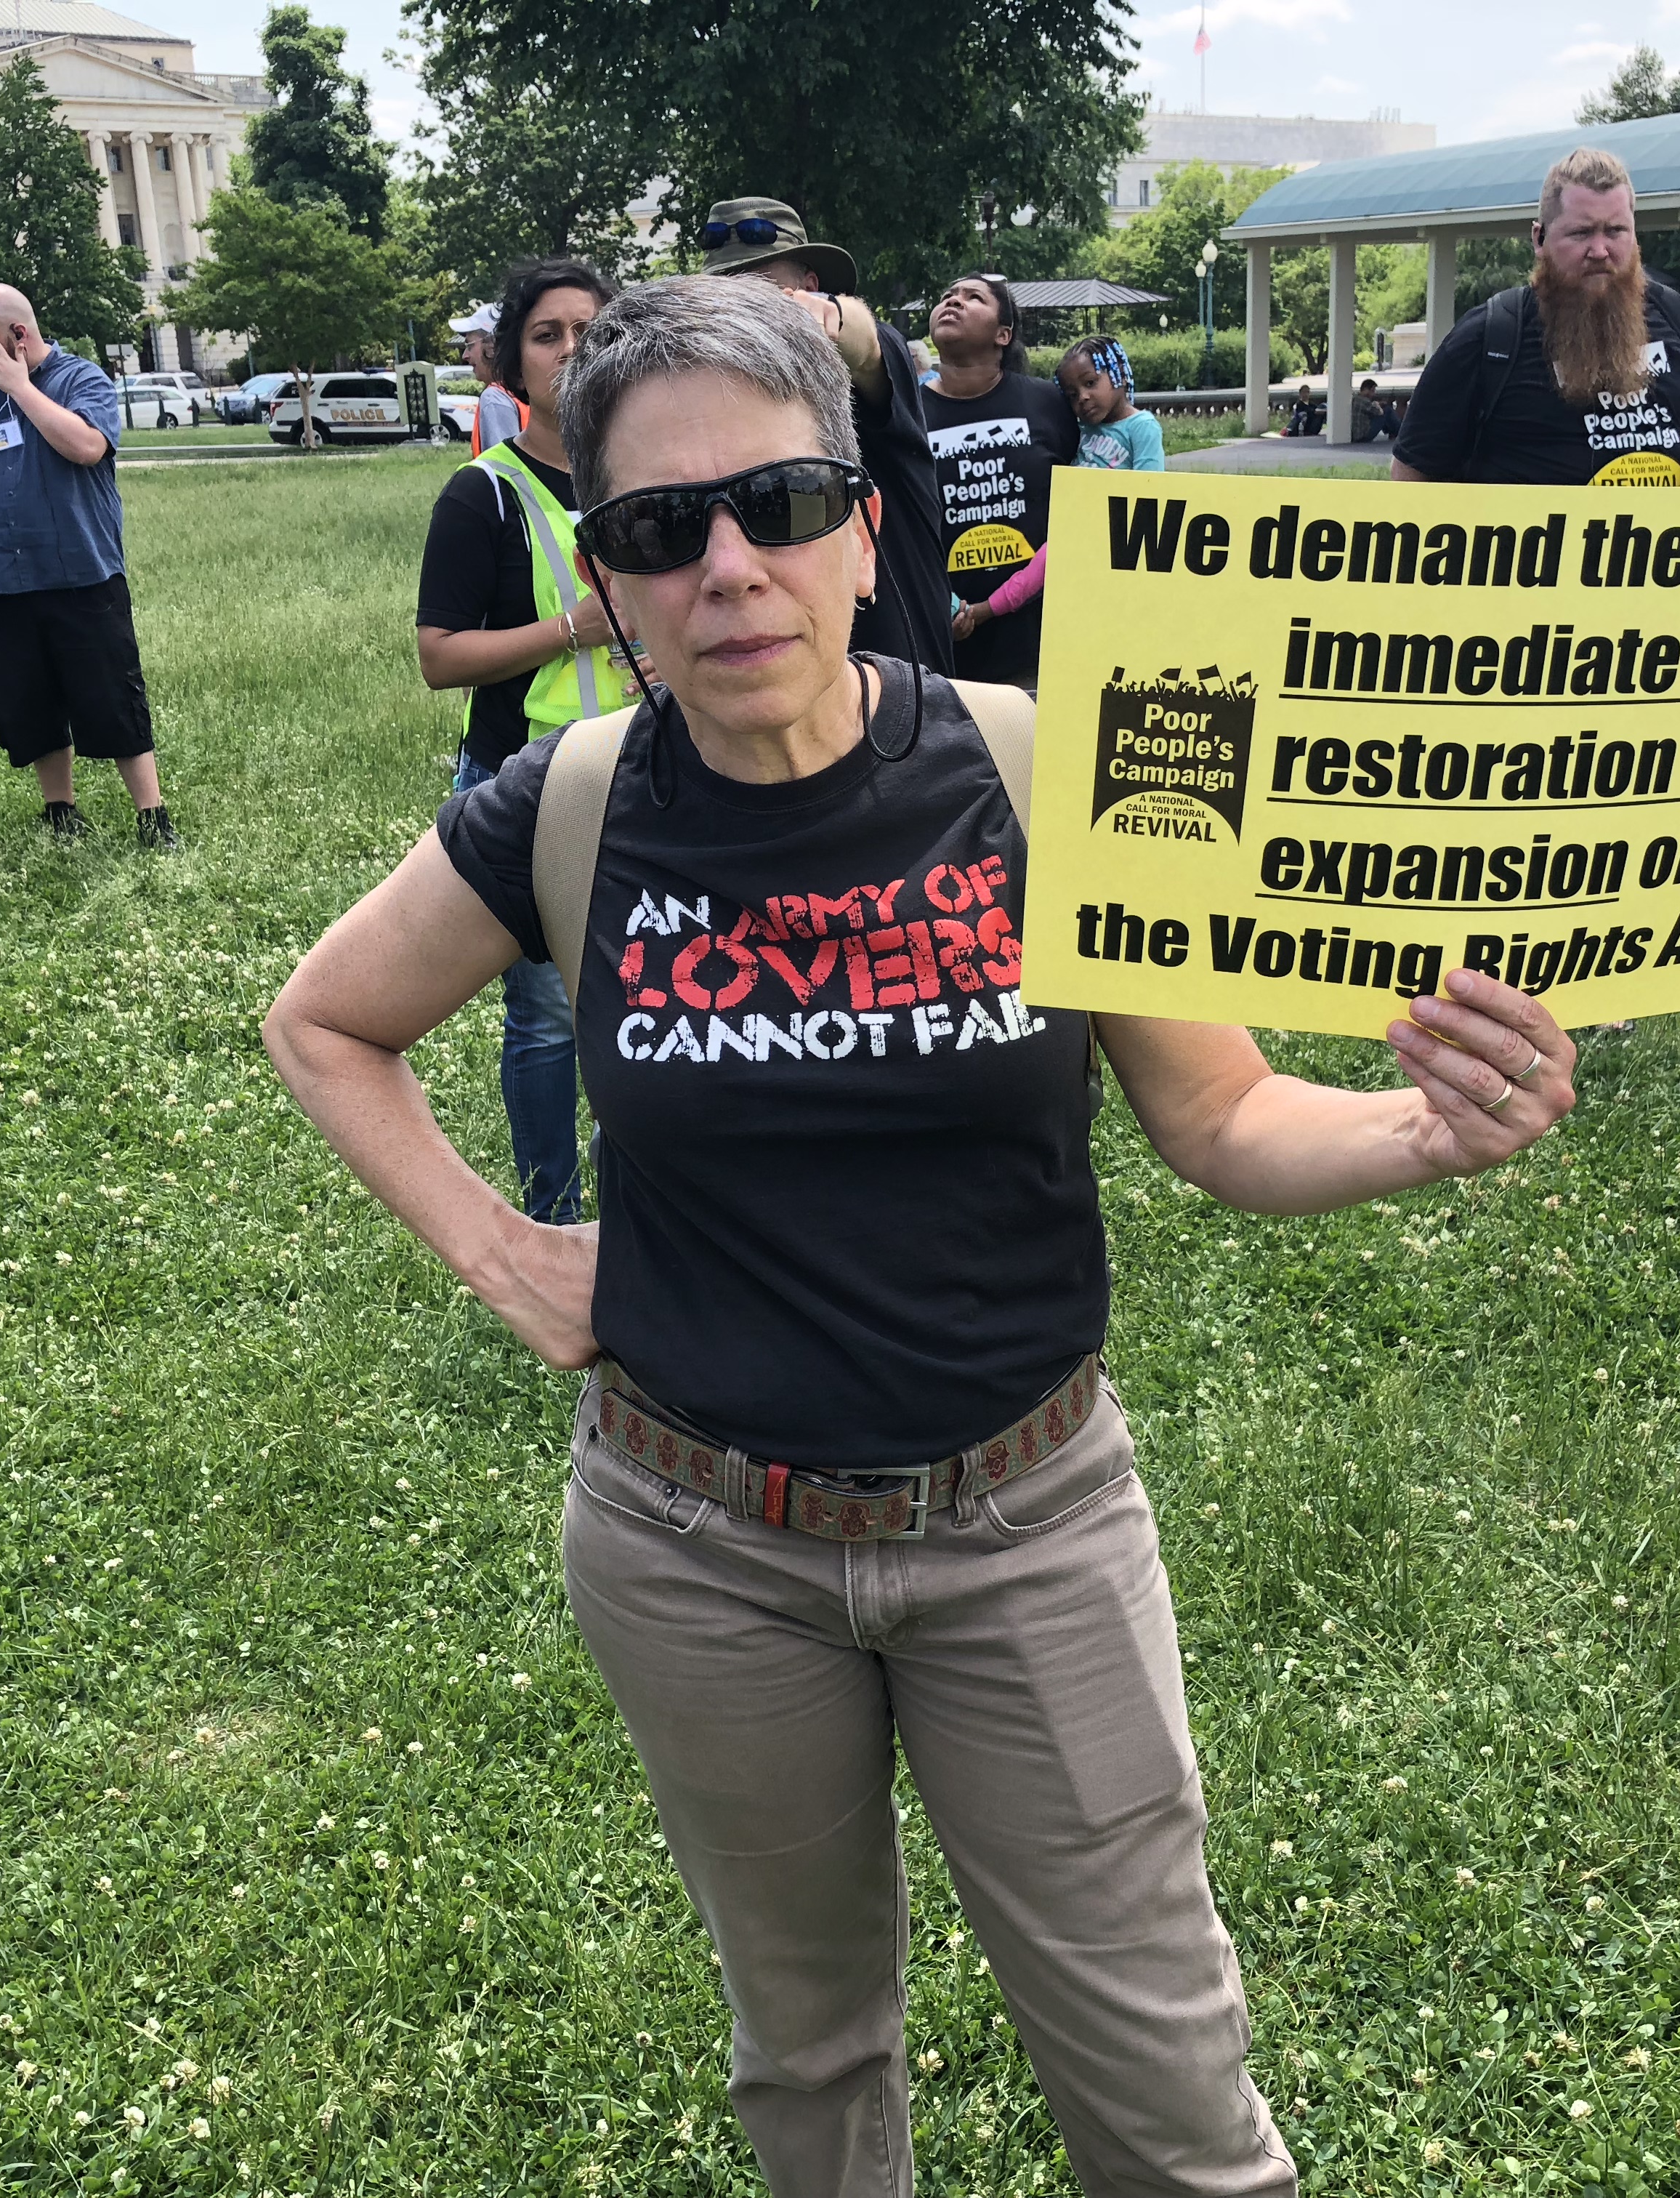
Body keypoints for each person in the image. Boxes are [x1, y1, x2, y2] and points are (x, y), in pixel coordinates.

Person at [264, 273, 1580, 2198]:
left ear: (862, 522)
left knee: (1167, 2087)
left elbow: (1218, 1115)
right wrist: (505, 1251)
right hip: (696, 1545)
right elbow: (323, 1021)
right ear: (609, 577)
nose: (731, 569)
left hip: (1026, 1525)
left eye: (780, 505)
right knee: (808, 2057)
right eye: (658, 532)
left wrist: (1423, 1126)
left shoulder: (1051, 762)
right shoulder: (571, 808)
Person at [415, 257, 621, 1223]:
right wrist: (572, 630)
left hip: (644, 778)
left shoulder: (650, 476)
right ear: (514, 363)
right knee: (544, 1023)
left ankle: (644, 1215)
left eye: (590, 330)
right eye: (549, 334)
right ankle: (552, 1221)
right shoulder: (483, 496)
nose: (572, 350)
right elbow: (440, 657)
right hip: (528, 788)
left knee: (645, 1013)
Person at [0, 282, 179, 846]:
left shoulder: (80, 379)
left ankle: (151, 815)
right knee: (27, 702)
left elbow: (87, 446)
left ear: (19, 334)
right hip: (1, 582)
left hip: (80, 574)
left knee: (111, 696)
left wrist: (20, 388)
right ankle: (60, 809)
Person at [697, 195, 952, 672]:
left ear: (810, 287)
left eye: (759, 288)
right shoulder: (723, 412)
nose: (742, 310)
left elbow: (868, 343)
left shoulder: (868, 372)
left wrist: (828, 318)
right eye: (726, 293)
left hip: (908, 700)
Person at [1392, 145, 1680, 486]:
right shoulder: (1488, 338)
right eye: (1581, 233)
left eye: (1616, 231)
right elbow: (1410, 475)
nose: (1600, 250)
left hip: (1663, 540)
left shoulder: (1678, 318)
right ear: (1539, 237)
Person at [916, 272, 1075, 688]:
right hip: (942, 657)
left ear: (1003, 335)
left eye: (973, 297)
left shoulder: (1047, 403)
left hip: (1042, 649)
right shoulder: (907, 416)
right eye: (947, 294)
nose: (953, 301)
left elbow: (1079, 504)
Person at [1058, 335, 1164, 470]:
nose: (1082, 397)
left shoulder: (1142, 427)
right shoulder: (1080, 429)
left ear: (1120, 375)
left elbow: (1149, 485)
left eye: (1090, 383)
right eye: (1072, 395)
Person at [456, 302, 523, 452]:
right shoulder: (529, 391)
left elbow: (504, 470)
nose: (465, 356)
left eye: (470, 345)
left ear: (493, 346)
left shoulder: (495, 398)